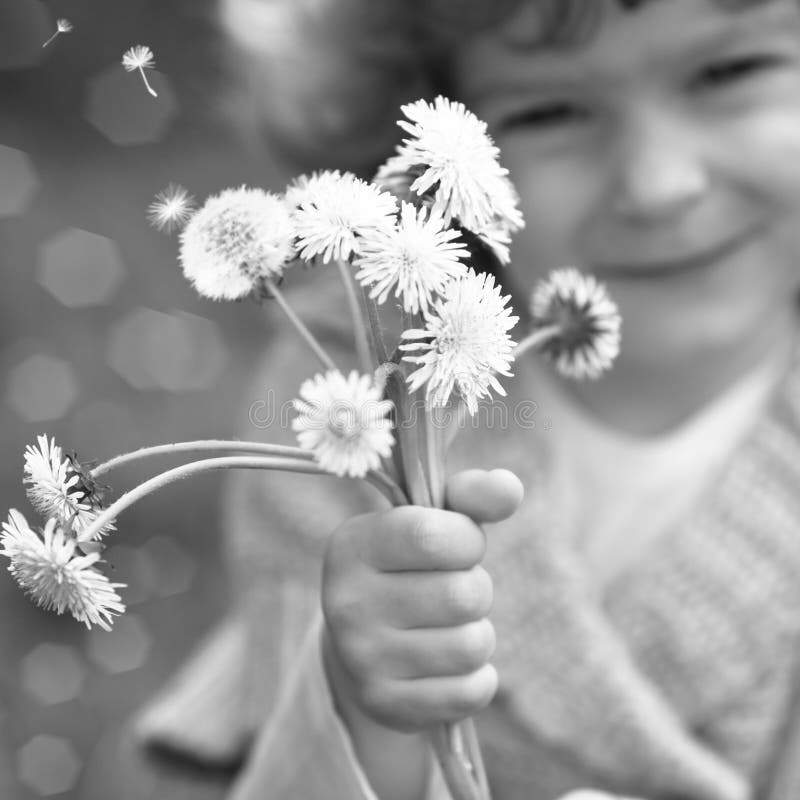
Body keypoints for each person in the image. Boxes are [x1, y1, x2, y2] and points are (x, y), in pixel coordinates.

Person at [133, 1, 800, 798]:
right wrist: (363, 706)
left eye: (728, 72)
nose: (659, 184)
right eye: (551, 110)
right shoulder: (353, 388)